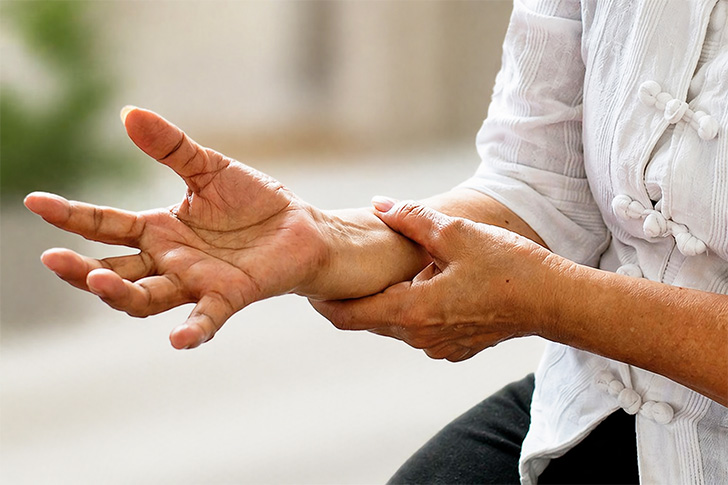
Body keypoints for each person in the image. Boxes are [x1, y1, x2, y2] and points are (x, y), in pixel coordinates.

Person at [24, 0, 727, 483]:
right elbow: (542, 178)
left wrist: (553, 301)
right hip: (610, 400)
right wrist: (330, 240)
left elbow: (547, 285)